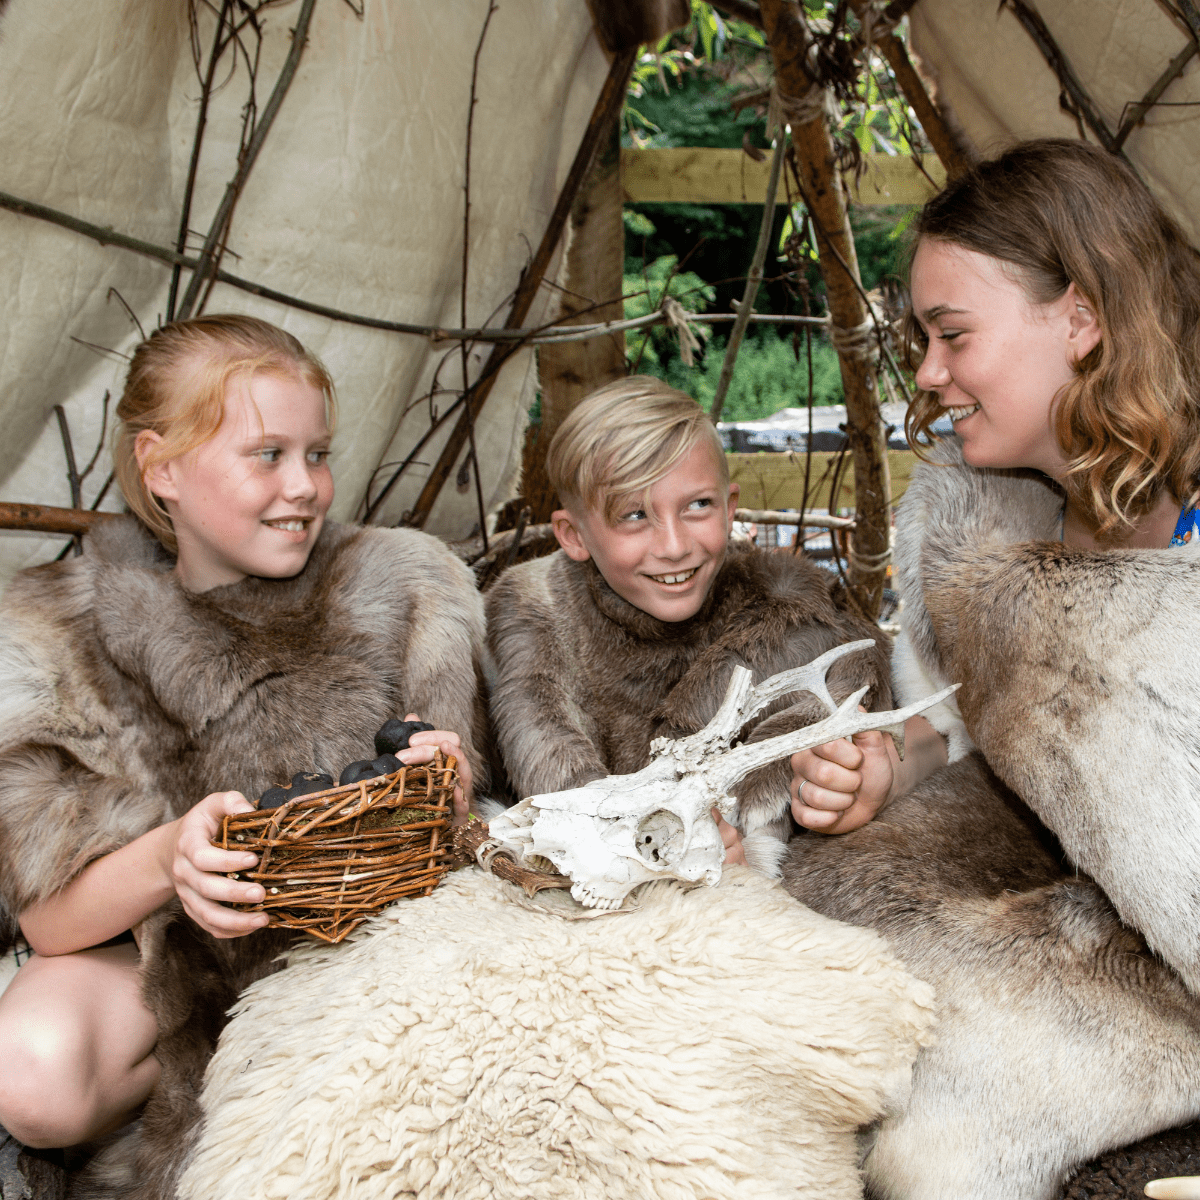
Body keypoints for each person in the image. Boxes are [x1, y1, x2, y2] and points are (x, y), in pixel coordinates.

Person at [0, 314, 486, 1152]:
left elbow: (472, 825)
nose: (304, 486)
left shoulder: (398, 587)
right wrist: (169, 857)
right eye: (268, 456)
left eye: (318, 454)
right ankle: (244, 1064)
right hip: (175, 963)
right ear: (162, 468)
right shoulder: (58, 634)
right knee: (32, 1078)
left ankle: (301, 1053)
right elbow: (48, 927)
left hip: (377, 940)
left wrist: (453, 781)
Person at [790, 137, 1200, 839]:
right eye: (924, 339)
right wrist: (884, 767)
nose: (925, 373)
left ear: (1081, 320)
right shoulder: (969, 530)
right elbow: (944, 725)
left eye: (953, 334)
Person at [485, 375, 892, 871]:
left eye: (698, 505)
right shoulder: (536, 612)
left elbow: (900, 740)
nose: (675, 545)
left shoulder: (796, 619)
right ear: (573, 536)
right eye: (634, 515)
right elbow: (534, 771)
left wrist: (844, 782)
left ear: (730, 507)